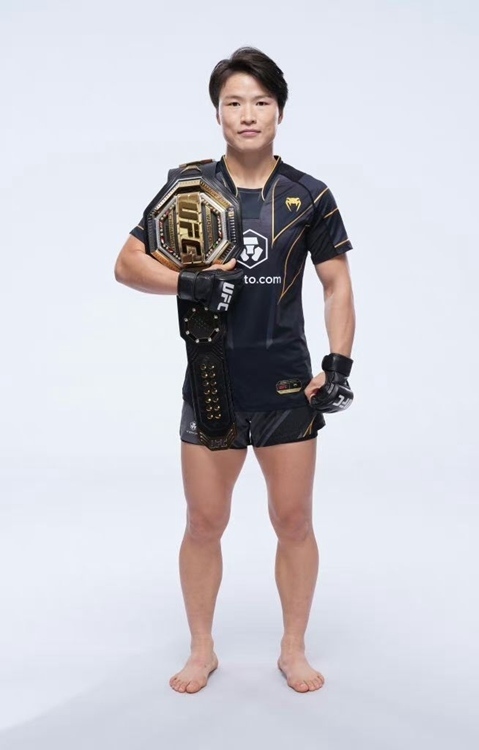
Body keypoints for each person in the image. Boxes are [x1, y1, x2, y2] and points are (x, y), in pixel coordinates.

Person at [114, 47, 356, 694]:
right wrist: (187, 283)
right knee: (204, 524)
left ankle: (293, 649)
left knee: (294, 522)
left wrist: (337, 364)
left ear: (279, 112)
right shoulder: (189, 189)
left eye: (260, 102)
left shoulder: (309, 195)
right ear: (218, 113)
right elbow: (127, 264)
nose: (247, 114)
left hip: (286, 386)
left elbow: (336, 284)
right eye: (234, 102)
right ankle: (202, 650)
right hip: (212, 383)